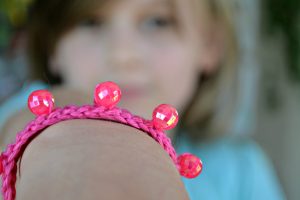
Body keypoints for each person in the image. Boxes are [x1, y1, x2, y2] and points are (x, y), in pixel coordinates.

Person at [0, 0, 285, 199]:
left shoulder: (242, 171)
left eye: (158, 21)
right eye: (91, 22)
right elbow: (46, 127)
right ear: (53, 47)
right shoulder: (31, 114)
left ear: (210, 43)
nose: (123, 54)